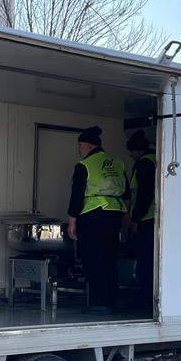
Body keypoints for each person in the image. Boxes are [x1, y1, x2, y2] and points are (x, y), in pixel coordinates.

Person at [67, 125, 127, 314]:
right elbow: (127, 192)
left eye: (80, 146)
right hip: (114, 213)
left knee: (93, 258)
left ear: (87, 145)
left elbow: (77, 195)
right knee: (110, 257)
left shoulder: (84, 165)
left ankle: (98, 301)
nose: (78, 150)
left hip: (93, 214)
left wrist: (72, 221)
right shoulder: (117, 162)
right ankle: (112, 298)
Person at [124, 129, 156, 308]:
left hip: (147, 219)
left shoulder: (144, 164)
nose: (129, 155)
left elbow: (144, 194)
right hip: (151, 218)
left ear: (137, 150)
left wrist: (134, 219)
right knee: (149, 261)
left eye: (131, 151)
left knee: (146, 262)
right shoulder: (153, 160)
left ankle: (146, 299)